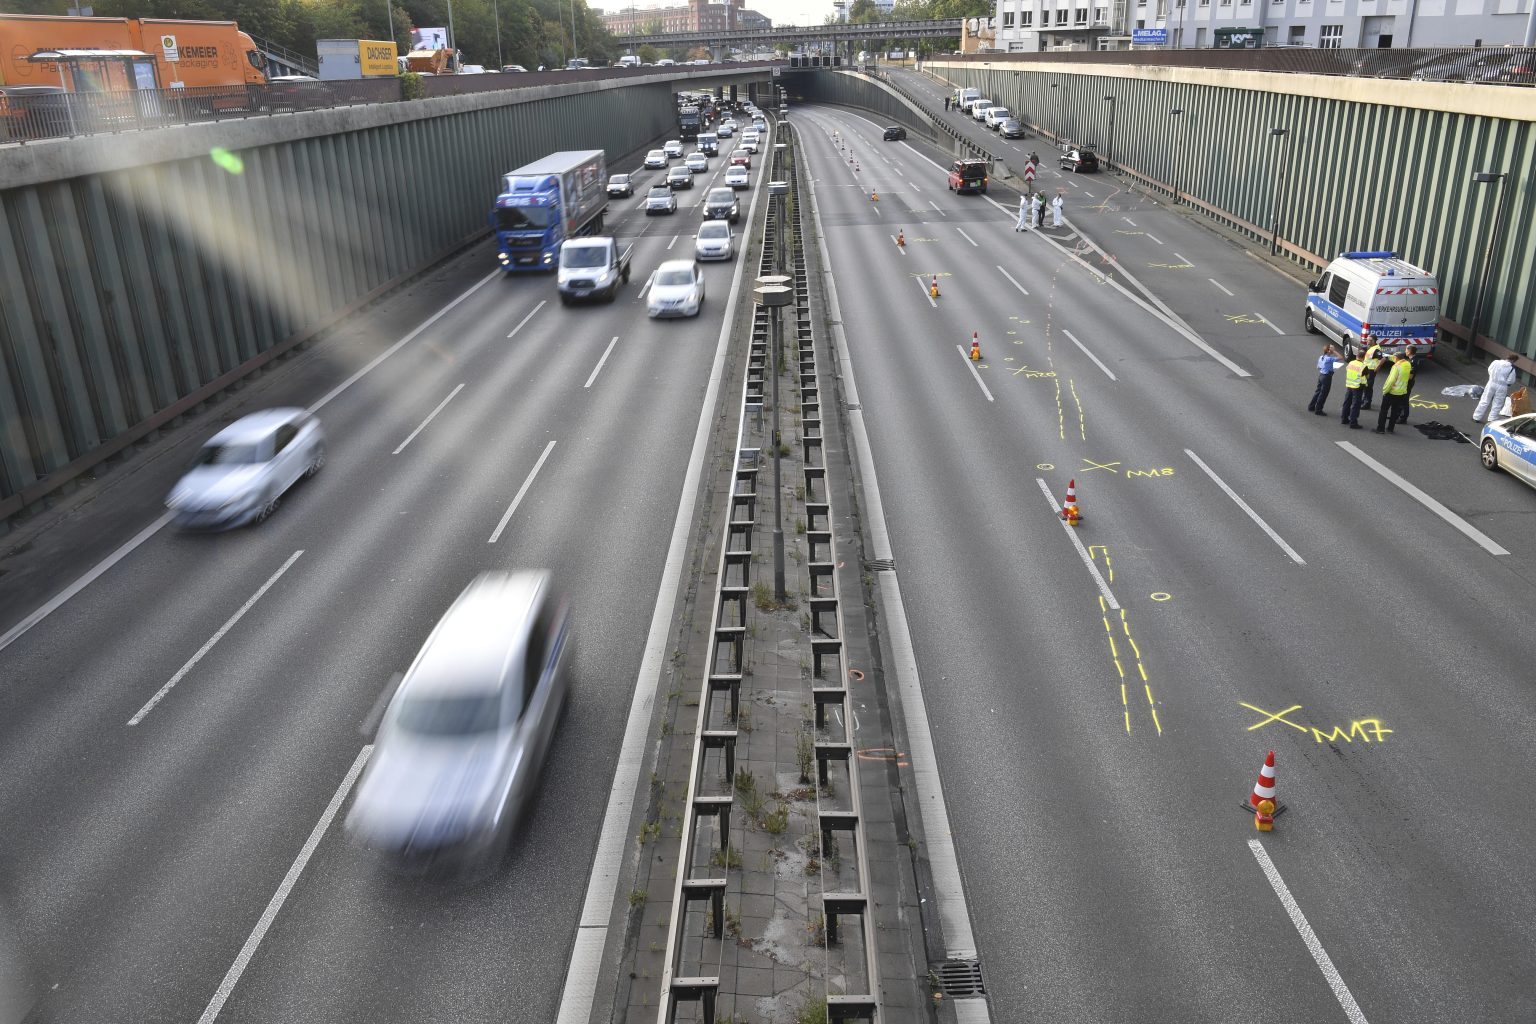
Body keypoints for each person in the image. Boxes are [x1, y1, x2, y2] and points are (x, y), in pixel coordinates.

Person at [1473, 353, 1519, 423]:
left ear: (1507, 357)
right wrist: (1506, 383)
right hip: (1502, 386)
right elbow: (1511, 380)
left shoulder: (1495, 362)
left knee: (1485, 400)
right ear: (1513, 360)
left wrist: (1492, 377)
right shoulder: (1511, 369)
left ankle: (1477, 417)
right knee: (1497, 403)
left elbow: (1489, 370)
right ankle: (1492, 419)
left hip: (1491, 382)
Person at [1375, 353, 1412, 433]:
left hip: (1392, 392)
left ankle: (1380, 429)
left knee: (1384, 410)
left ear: (1396, 358)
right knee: (1394, 411)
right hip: (1401, 392)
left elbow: (1391, 381)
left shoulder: (1396, 367)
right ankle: (1390, 428)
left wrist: (1385, 391)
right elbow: (1396, 357)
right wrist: (1387, 357)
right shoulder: (1407, 364)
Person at [1308, 343, 1341, 415]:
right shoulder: (1329, 359)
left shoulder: (1321, 357)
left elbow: (1318, 367)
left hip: (1321, 375)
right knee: (1323, 394)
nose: (1333, 350)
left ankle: (1311, 406)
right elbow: (1340, 357)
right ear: (1329, 350)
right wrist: (1334, 351)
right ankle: (1318, 410)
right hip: (1327, 377)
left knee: (1318, 391)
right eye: (1332, 348)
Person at [1339, 349, 1367, 428]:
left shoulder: (1351, 363)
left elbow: (1347, 369)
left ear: (1357, 356)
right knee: (1356, 405)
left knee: (1347, 402)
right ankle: (1353, 422)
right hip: (1357, 387)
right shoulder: (1363, 366)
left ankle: (1344, 419)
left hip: (1349, 385)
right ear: (1364, 357)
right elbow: (1367, 376)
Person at [1359, 337, 1384, 411]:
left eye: (1368, 340)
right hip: (1367, 369)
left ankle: (1367, 403)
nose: (1366, 341)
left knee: (1368, 387)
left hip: (1371, 370)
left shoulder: (1376, 350)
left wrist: (1378, 367)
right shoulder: (1371, 347)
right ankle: (1364, 400)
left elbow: (1382, 359)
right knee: (1365, 385)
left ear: (1373, 341)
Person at [1395, 346, 1418, 424]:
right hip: (1406, 382)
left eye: (1406, 350)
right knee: (1400, 399)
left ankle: (1403, 418)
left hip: (1408, 383)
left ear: (1409, 351)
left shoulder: (1413, 361)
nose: (1405, 351)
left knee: (1404, 400)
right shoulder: (1411, 359)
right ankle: (1397, 415)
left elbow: (1410, 376)